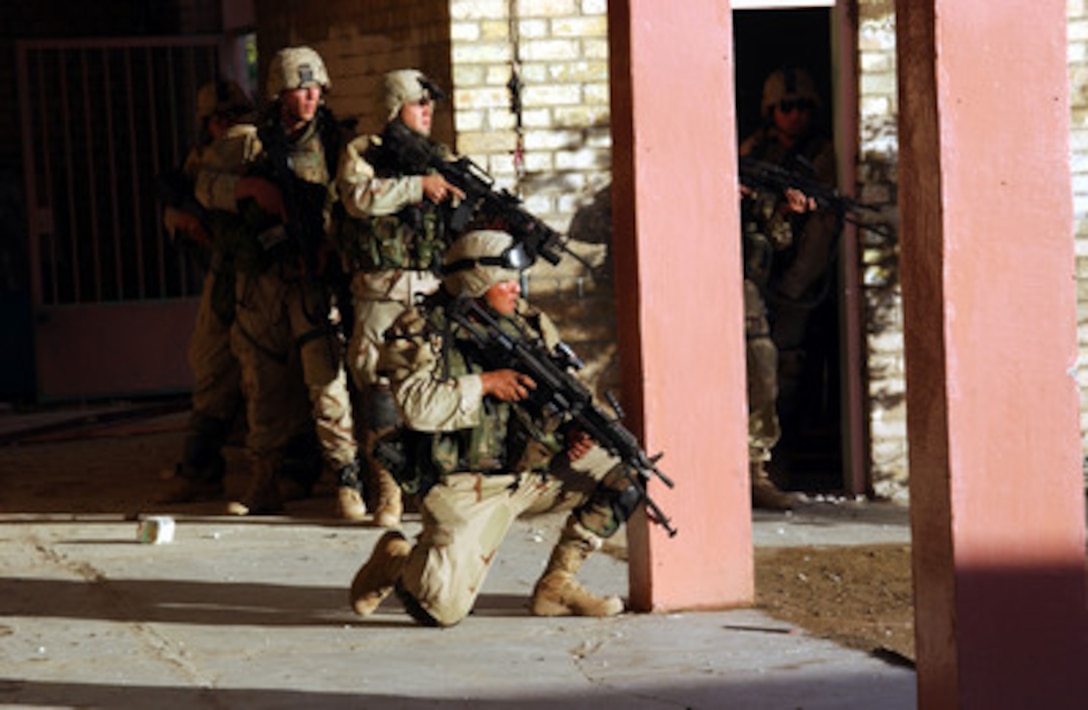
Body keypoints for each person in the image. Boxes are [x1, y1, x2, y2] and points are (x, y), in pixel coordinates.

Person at [347, 230, 641, 626]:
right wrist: (485, 383)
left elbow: (560, 388)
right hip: (466, 485)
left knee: (628, 475)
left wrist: (570, 431)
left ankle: (558, 583)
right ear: (475, 281)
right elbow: (418, 407)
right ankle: (396, 560)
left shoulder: (530, 324)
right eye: (505, 280)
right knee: (437, 609)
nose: (516, 289)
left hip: (533, 475)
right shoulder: (422, 328)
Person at [225, 45, 361, 518]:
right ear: (279, 93)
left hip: (312, 280)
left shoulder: (339, 144)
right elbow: (203, 186)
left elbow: (356, 205)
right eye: (298, 88)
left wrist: (331, 246)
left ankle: (347, 478)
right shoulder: (251, 143)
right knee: (262, 385)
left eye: (314, 87)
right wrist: (248, 188)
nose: (308, 96)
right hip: (263, 283)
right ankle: (264, 481)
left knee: (327, 383)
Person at [335, 69, 468, 528]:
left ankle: (432, 487)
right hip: (380, 293)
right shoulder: (362, 154)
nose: (427, 112)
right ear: (394, 109)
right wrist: (416, 187)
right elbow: (357, 199)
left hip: (429, 291)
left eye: (430, 104)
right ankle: (387, 491)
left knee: (433, 385)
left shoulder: (441, 159)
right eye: (417, 104)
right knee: (378, 390)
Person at [155, 80, 265, 504]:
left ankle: (286, 468)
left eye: (232, 116)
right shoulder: (200, 161)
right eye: (218, 119)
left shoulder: (255, 150)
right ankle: (201, 467)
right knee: (212, 365)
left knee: (270, 375)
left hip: (261, 275)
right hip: (225, 274)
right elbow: (181, 210)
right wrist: (185, 223)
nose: (225, 126)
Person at [739, 66, 838, 509]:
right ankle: (757, 467)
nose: (794, 115)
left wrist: (794, 287)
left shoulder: (823, 153)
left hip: (795, 285)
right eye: (785, 107)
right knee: (759, 370)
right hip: (753, 281)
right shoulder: (753, 151)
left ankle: (778, 464)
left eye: (802, 107)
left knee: (790, 373)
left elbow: (821, 232)